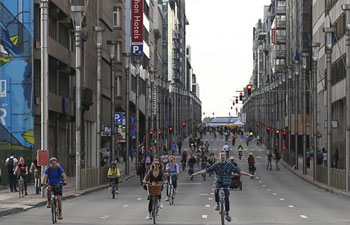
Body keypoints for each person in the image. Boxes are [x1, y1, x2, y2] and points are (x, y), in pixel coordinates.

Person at [191, 150, 254, 222]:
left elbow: (239, 171)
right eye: (221, 155)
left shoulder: (230, 165)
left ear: (226, 156)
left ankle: (227, 213)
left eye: (224, 155)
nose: (222, 156)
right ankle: (217, 204)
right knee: (216, 190)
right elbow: (206, 170)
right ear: (219, 156)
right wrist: (195, 174)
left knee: (227, 198)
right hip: (219, 182)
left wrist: (249, 174)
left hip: (226, 182)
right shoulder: (216, 164)